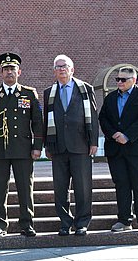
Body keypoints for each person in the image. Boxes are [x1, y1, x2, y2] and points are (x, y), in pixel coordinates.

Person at [0, 53, 44, 237]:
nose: (9, 72)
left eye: (12, 69)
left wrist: (37, 146)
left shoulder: (28, 93)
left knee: (25, 187)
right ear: (1, 73)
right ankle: (0, 225)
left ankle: (26, 223)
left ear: (19, 72)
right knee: (0, 188)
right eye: (6, 69)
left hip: (23, 148)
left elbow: (37, 122)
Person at [42, 54, 99, 236]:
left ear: (72, 69)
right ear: (54, 71)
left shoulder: (85, 89)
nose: (61, 69)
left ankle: (82, 222)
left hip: (81, 145)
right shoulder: (48, 93)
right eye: (58, 67)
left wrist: (94, 142)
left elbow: (93, 116)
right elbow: (46, 121)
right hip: (57, 146)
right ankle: (65, 222)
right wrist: (47, 145)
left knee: (83, 186)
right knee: (60, 188)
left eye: (64, 66)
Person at [99, 67, 138, 233]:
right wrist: (114, 134)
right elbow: (103, 118)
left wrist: (127, 136)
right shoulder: (110, 98)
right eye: (117, 79)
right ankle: (124, 220)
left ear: (133, 79)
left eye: (123, 79)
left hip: (137, 148)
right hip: (115, 148)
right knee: (121, 184)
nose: (119, 82)